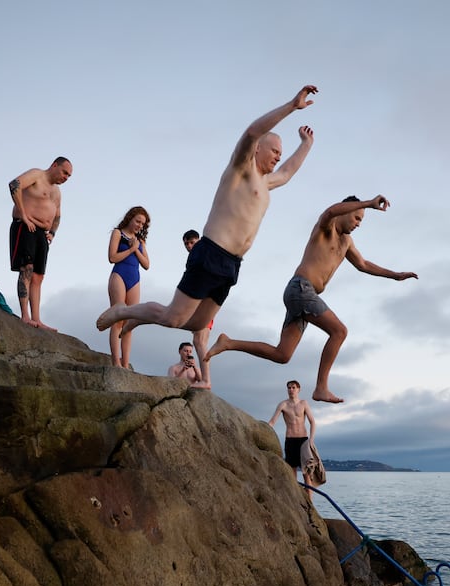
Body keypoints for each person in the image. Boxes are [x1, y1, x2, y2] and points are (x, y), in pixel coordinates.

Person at [96, 85, 318, 338]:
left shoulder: (266, 183)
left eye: (281, 153)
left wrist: (306, 144)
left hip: (233, 264)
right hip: (211, 252)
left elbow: (287, 173)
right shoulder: (240, 169)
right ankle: (125, 311)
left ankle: (139, 316)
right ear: (258, 148)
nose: (279, 157)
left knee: (197, 324)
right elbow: (252, 132)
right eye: (275, 151)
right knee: (172, 317)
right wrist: (292, 106)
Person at [208, 195, 418, 403]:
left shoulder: (346, 242)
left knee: (283, 355)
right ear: (345, 211)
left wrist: (396, 275)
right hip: (301, 289)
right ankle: (321, 388)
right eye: (357, 218)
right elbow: (329, 212)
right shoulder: (327, 228)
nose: (358, 224)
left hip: (302, 295)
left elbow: (363, 264)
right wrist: (369, 204)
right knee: (339, 331)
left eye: (361, 220)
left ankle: (228, 343)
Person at [8, 157, 72, 329]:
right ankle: (25, 316)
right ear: (54, 165)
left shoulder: (57, 192)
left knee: (38, 275)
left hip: (42, 235)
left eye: (69, 176)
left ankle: (37, 318)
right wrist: (23, 214)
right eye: (64, 172)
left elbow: (57, 215)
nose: (66, 177)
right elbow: (14, 184)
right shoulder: (37, 175)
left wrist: (52, 233)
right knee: (26, 268)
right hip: (26, 226)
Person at [107, 206, 151, 368]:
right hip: (119, 275)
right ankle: (116, 362)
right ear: (130, 218)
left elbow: (146, 264)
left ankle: (126, 364)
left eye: (143, 224)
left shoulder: (141, 241)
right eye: (138, 221)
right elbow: (112, 257)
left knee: (129, 323)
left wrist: (137, 249)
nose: (140, 225)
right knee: (117, 319)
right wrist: (131, 249)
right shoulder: (118, 233)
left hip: (135, 278)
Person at [268, 380, 316, 495]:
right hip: (290, 441)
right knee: (292, 474)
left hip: (303, 441)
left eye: (293, 387)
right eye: (289, 388)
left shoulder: (303, 403)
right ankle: (296, 502)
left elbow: (312, 422)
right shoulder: (283, 404)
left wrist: (311, 440)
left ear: (298, 389)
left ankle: (310, 505)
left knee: (306, 475)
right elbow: (272, 421)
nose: (291, 390)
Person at [182, 229, 213, 388]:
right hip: (204, 302)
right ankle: (205, 379)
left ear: (198, 241)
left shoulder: (203, 255)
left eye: (192, 242)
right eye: (186, 243)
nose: (189, 246)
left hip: (205, 302)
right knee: (200, 342)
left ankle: (206, 380)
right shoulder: (197, 257)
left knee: (199, 341)